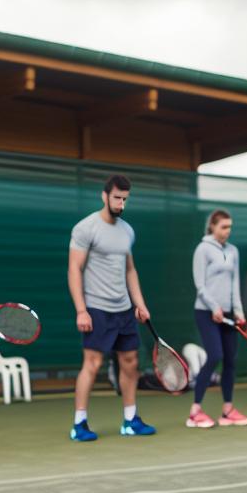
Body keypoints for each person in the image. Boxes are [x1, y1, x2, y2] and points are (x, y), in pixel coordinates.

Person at [67, 174, 154, 441]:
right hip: (97, 308)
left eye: (125, 199)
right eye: (117, 198)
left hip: (124, 310)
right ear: (104, 196)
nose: (121, 204)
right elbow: (74, 269)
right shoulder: (85, 228)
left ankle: (130, 420)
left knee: (130, 363)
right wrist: (81, 309)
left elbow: (130, 270)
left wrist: (140, 304)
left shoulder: (127, 230)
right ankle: (79, 424)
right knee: (91, 365)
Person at [187, 209, 247, 428]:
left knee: (230, 361)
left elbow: (235, 283)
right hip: (206, 313)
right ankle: (195, 412)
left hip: (229, 315)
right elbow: (200, 285)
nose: (227, 231)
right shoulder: (202, 249)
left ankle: (228, 410)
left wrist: (238, 311)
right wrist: (214, 307)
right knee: (215, 356)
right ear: (212, 226)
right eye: (223, 227)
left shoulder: (233, 251)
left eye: (230, 227)